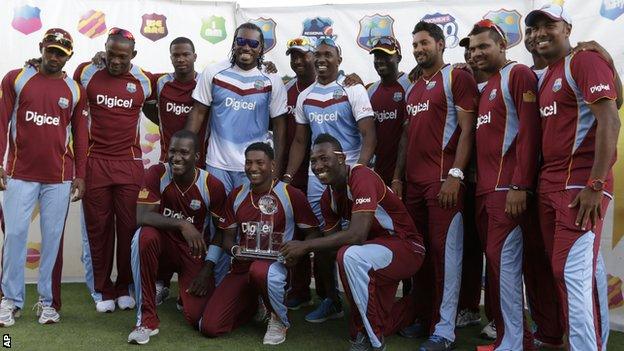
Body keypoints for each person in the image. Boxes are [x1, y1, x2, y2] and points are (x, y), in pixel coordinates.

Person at [526, 4, 620, 350]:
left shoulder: (583, 59)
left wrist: (595, 183)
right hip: (553, 187)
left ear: (566, 27)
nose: (539, 34)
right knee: (580, 273)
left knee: (570, 274)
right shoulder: (551, 72)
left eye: (547, 25)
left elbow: (611, 118)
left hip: (580, 187)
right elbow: (617, 100)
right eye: (533, 29)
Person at [281, 134, 425, 351]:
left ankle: (371, 341)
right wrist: (293, 255)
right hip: (375, 254)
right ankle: (416, 307)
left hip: (406, 247)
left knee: (348, 255)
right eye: (313, 161)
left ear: (341, 158)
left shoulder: (361, 176)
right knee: (380, 318)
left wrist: (305, 247)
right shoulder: (326, 198)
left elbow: (356, 235)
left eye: (324, 158)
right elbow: (329, 246)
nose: (318, 165)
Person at [392, 21, 478, 351]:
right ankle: (423, 317)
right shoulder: (413, 87)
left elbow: (468, 130)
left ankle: (444, 330)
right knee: (421, 256)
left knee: (447, 257)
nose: (418, 49)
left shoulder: (457, 76)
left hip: (443, 183)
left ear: (441, 44)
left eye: (424, 43)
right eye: (415, 45)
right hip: (413, 186)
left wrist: (455, 176)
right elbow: (404, 137)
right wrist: (398, 177)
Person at [0, 28, 88, 326]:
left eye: (61, 54)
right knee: (14, 235)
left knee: (52, 239)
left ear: (69, 56)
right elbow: (1, 124)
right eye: (50, 50)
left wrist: (81, 174)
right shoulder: (16, 78)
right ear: (41, 47)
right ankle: (10, 301)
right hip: (19, 172)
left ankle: (46, 302)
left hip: (60, 177)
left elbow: (81, 134)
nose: (54, 57)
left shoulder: (75, 89)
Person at [285, 37, 376, 323]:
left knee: (357, 241)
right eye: (318, 55)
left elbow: (369, 135)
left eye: (328, 54)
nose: (321, 59)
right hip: (317, 179)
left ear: (339, 58)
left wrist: (359, 171)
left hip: (349, 175)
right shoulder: (305, 96)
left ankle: (366, 304)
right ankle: (330, 299)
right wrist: (288, 176)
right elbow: (300, 140)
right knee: (323, 239)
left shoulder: (352, 89)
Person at [198, 142, 320, 346]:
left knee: (261, 271)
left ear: (272, 165)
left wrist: (298, 252)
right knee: (209, 327)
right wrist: (235, 250)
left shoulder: (291, 194)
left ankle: (279, 320)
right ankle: (256, 303)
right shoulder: (237, 195)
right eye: (248, 163)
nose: (253, 168)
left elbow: (313, 234)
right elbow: (226, 238)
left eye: (259, 163)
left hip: (276, 267)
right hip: (241, 268)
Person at [468, 20, 541, 350]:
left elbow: (529, 132)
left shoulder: (518, 74)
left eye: (483, 46)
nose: (476, 53)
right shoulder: (487, 86)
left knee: (507, 269)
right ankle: (511, 338)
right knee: (499, 269)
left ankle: (515, 342)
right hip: (486, 192)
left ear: (502, 45)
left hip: (506, 192)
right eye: (472, 49)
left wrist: (520, 185)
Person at [74, 27, 152, 313]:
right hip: (96, 162)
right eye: (110, 54)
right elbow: (58, 82)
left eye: (122, 56)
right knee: (99, 230)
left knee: (130, 228)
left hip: (129, 164)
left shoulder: (144, 80)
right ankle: (102, 289)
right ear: (103, 50)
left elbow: (178, 86)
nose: (115, 61)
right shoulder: (86, 72)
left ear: (133, 55)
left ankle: (124, 287)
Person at [127, 130, 227, 345]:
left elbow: (221, 231)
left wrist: (207, 268)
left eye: (184, 152)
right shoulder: (156, 173)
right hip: (162, 247)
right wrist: (183, 224)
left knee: (197, 318)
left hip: (192, 252)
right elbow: (142, 216)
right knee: (144, 236)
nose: (176, 157)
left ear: (197, 157)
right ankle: (146, 320)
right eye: (172, 151)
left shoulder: (212, 185)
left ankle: (183, 294)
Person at [186, 22, 288, 193]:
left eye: (253, 43)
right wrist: (184, 149)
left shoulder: (272, 79)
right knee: (218, 217)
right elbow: (198, 113)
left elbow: (280, 126)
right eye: (241, 41)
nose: (246, 47)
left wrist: (275, 168)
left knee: (250, 217)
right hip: (217, 164)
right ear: (234, 43)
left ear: (261, 48)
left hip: (255, 165)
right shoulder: (214, 72)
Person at [281, 36, 321, 310]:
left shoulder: (336, 85)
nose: (297, 61)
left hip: (321, 174)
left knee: (320, 232)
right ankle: (299, 288)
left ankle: (329, 294)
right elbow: (283, 136)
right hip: (294, 171)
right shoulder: (285, 90)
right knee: (294, 230)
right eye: (293, 56)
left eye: (302, 55)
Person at [366, 36, 410, 186]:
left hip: (405, 176)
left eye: (386, 55)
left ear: (398, 57)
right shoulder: (370, 91)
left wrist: (398, 176)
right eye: (377, 56)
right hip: (378, 173)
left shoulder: (410, 85)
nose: (380, 60)